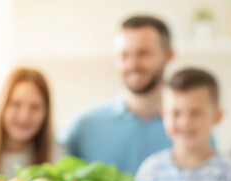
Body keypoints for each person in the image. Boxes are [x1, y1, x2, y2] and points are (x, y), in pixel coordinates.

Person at [58, 16, 174, 173]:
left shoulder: (191, 129)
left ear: (168, 55)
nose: (133, 64)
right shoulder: (82, 127)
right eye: (124, 55)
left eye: (143, 54)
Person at [135, 68, 231, 181]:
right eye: (176, 113)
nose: (185, 123)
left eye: (195, 113)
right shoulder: (152, 169)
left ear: (217, 116)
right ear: (164, 116)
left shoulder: (229, 171)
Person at [0, 67, 65, 177]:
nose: (24, 116)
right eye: (16, 104)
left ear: (46, 112)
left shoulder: (57, 157)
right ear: (2, 107)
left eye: (35, 107)